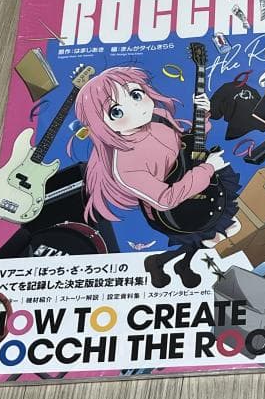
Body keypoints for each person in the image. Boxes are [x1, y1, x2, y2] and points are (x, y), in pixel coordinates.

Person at [70, 66, 240, 288]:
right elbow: (165, 200)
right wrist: (207, 170)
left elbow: (186, 145)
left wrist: (203, 116)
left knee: (225, 229)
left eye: (136, 95)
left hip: (192, 181)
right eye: (116, 112)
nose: (136, 108)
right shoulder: (124, 165)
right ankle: (165, 262)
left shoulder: (159, 118)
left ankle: (174, 263)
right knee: (219, 233)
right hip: (172, 212)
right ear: (102, 126)